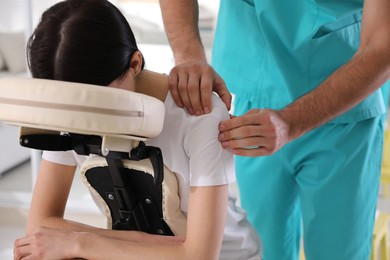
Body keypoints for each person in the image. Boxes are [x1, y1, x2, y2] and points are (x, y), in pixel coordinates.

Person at [12, 0, 262, 259]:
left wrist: (80, 243)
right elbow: (40, 226)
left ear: (134, 64)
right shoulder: (69, 111)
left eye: (96, 104)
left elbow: (199, 255)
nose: (85, 122)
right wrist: (142, 242)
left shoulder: (198, 114)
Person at [159, 0, 390, 259]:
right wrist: (188, 56)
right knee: (263, 248)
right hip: (253, 88)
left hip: (345, 102)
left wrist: (291, 122)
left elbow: (382, 46)